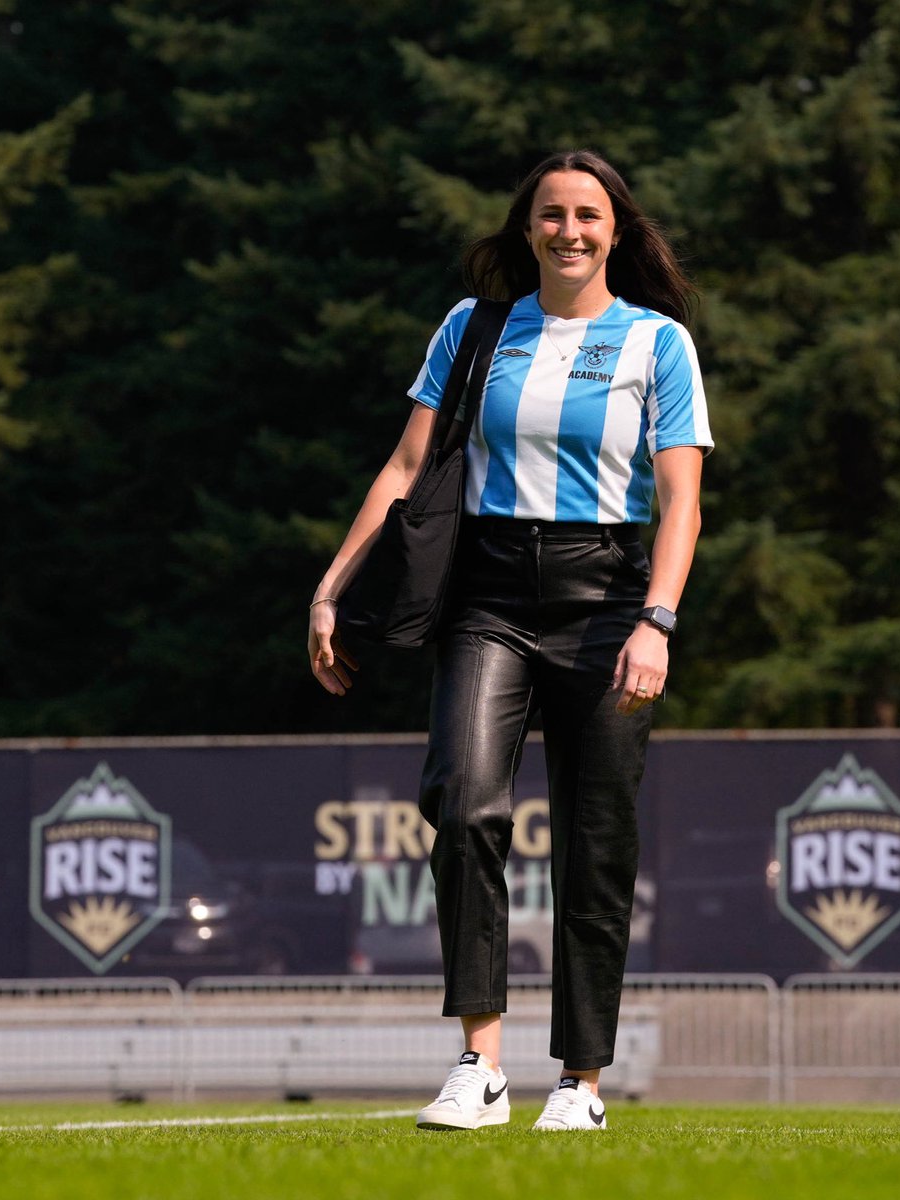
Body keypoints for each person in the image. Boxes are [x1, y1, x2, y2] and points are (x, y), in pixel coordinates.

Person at [307, 149, 712, 1131]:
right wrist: (331, 586)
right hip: (487, 594)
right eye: (551, 213)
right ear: (526, 227)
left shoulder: (658, 342)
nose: (569, 230)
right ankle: (479, 1066)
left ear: (616, 230)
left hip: (609, 600)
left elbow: (682, 503)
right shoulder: (472, 327)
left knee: (595, 842)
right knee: (463, 802)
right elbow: (406, 465)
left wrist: (657, 620)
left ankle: (580, 1084)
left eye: (588, 215)